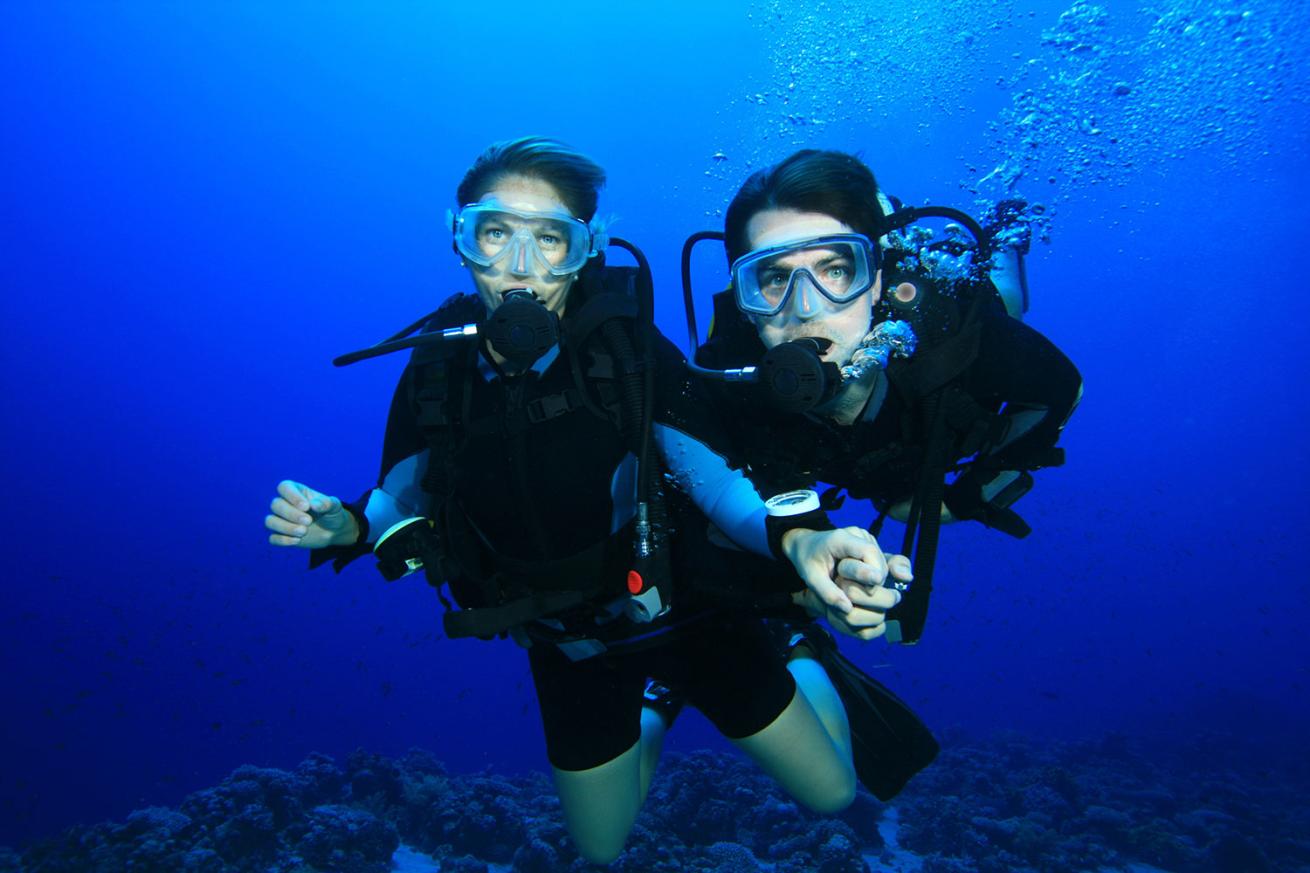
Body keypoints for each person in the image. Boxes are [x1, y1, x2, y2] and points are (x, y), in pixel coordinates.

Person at [264, 137, 913, 864]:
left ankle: (795, 650)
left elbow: (717, 479)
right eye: (495, 234)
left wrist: (799, 542)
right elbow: (400, 495)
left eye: (551, 240)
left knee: (831, 793)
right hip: (565, 643)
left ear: (588, 248)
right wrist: (345, 525)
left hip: (689, 611)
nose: (519, 268)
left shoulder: (625, 348)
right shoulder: (436, 369)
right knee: (601, 849)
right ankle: (657, 704)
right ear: (460, 239)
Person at [692, 148, 1083, 646]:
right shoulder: (723, 374)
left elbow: (1063, 390)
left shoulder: (951, 334)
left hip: (945, 401)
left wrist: (969, 495)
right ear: (744, 296)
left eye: (836, 268)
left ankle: (1005, 239)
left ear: (876, 280)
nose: (807, 308)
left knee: (1002, 295)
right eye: (773, 278)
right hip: (871, 468)